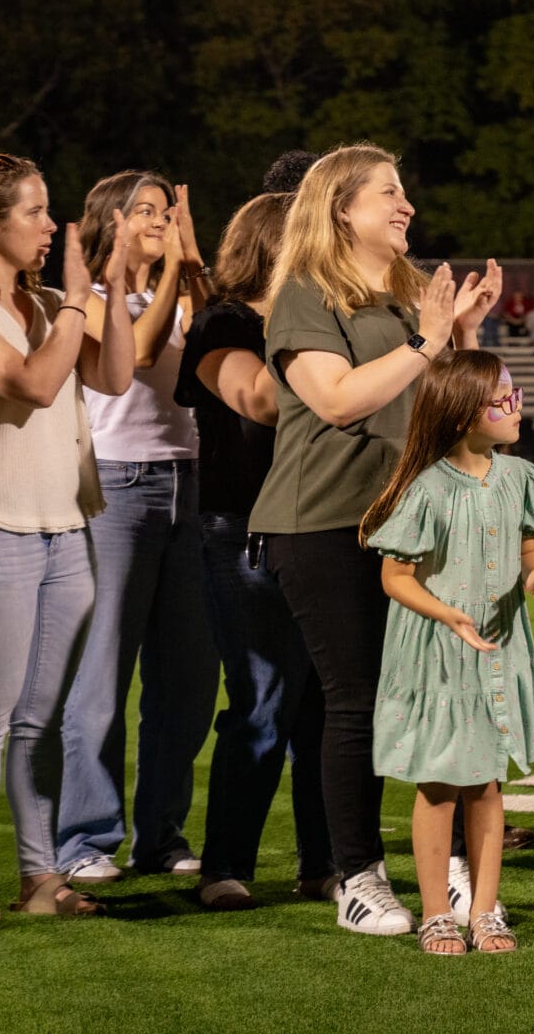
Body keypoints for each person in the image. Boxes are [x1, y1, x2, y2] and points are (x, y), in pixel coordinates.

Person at [248, 143, 502, 935]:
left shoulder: (403, 301)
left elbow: (439, 407)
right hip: (322, 521)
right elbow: (336, 400)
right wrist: (427, 342)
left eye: (404, 193)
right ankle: (356, 875)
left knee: (435, 693)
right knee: (355, 700)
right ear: (340, 209)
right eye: (387, 194)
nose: (406, 207)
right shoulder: (304, 292)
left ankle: (445, 866)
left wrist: (458, 336)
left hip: (400, 522)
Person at [0, 152, 132, 922]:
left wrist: (109, 292)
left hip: (65, 527)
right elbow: (31, 384)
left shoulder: (56, 301)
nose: (51, 227)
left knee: (39, 716)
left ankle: (41, 878)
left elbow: (115, 378)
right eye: (34, 212)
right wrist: (79, 304)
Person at [361, 351, 534, 954]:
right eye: (503, 398)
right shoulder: (425, 489)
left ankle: (484, 911)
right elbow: (395, 578)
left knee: (490, 785)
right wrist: (445, 611)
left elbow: (530, 547)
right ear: (464, 411)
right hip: (441, 654)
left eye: (514, 392)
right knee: (439, 785)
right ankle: (434, 914)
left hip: (498, 648)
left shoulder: (521, 476)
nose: (515, 405)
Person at [56, 171, 218, 885]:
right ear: (110, 221)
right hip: (118, 486)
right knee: (102, 675)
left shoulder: (183, 290)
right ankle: (85, 841)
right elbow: (142, 355)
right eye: (144, 210)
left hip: (193, 484)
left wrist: (194, 265)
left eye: (165, 210)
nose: (159, 219)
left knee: (186, 680)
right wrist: (176, 265)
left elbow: (215, 345)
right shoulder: (91, 299)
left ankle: (163, 836)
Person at [175, 190, 333, 910]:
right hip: (243, 529)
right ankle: (226, 864)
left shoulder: (317, 321)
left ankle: (326, 862)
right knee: (264, 699)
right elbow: (260, 401)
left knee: (328, 705)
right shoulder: (222, 323)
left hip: (320, 524)